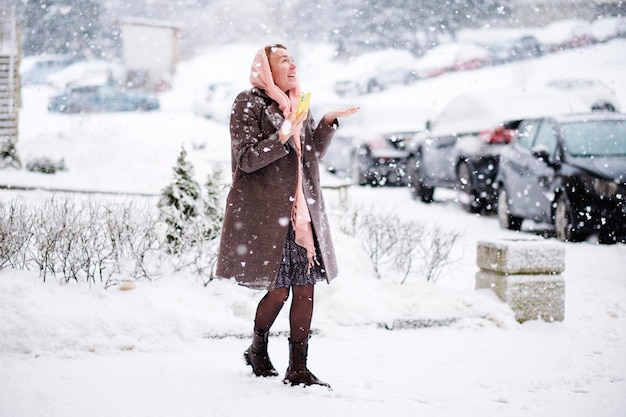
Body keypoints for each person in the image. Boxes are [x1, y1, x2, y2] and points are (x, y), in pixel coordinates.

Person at [215, 43, 359, 388]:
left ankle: (298, 368)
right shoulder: (247, 103)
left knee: (305, 290)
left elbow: (310, 154)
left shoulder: (299, 104)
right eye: (283, 60)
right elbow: (246, 159)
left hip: (302, 215)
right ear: (266, 69)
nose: (292, 65)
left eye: (293, 59)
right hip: (269, 213)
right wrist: (281, 135)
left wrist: (325, 122)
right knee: (279, 291)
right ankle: (257, 347)